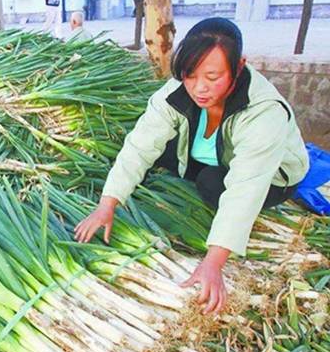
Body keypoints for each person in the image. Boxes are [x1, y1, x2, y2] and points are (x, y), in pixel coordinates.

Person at [74, 17, 309, 315]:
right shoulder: (176, 93)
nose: (199, 88)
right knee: (156, 149)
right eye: (191, 74)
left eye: (213, 77)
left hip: (275, 178)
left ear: (239, 66)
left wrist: (213, 262)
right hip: (216, 155)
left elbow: (245, 189)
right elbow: (140, 145)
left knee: (211, 184)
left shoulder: (263, 112)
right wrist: (108, 203)